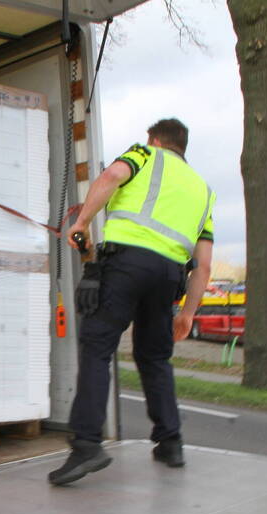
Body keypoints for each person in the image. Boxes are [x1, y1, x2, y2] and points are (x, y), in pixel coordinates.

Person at [49, 118, 215, 486]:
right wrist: (188, 313)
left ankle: (87, 444)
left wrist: (82, 223)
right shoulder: (204, 192)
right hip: (170, 277)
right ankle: (170, 442)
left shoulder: (145, 153)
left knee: (97, 347)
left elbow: (110, 177)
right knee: (154, 357)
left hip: (126, 265)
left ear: (155, 140)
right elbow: (203, 266)